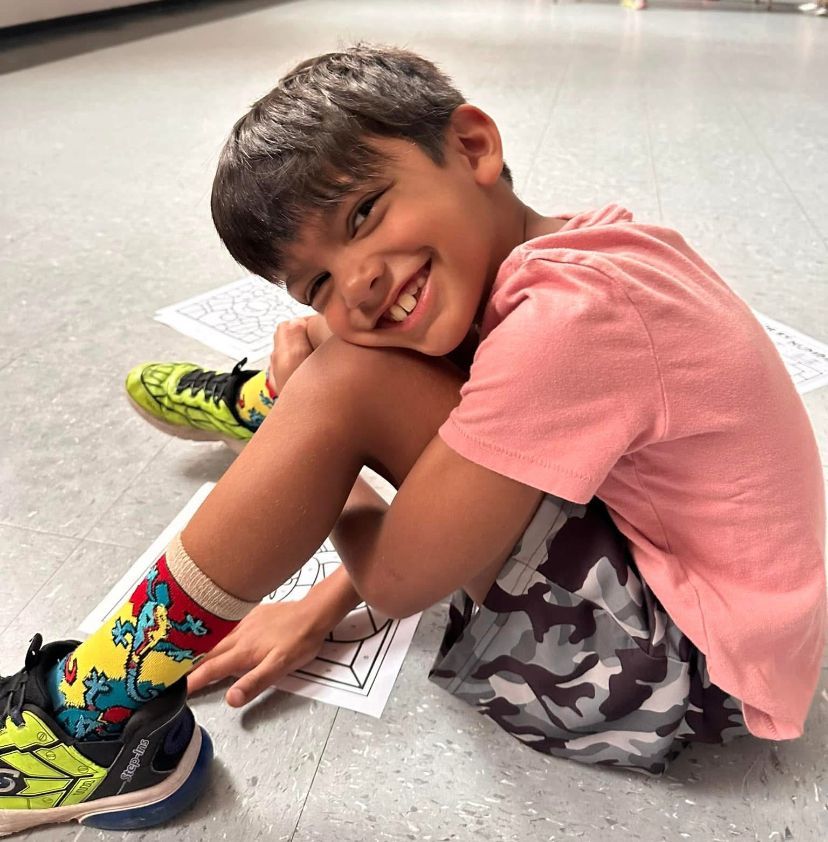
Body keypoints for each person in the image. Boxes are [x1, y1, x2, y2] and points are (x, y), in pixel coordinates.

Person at [1, 44, 825, 836]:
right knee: (361, 356)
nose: (355, 278)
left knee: (349, 377)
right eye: (317, 282)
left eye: (363, 212)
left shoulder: (570, 326)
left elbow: (397, 582)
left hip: (681, 677)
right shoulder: (573, 253)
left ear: (473, 146)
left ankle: (89, 722)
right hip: (696, 596)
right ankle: (288, 410)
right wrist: (325, 602)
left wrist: (319, 439)